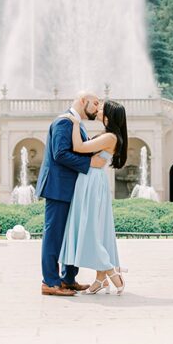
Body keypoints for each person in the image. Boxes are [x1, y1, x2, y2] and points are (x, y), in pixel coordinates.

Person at [35, 92, 107, 296]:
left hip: (69, 188)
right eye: (95, 103)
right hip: (58, 188)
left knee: (70, 234)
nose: (97, 107)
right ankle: (49, 282)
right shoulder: (64, 122)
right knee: (54, 236)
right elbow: (60, 153)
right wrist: (89, 163)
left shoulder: (76, 123)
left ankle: (68, 279)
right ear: (83, 101)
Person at [60, 100, 128, 295]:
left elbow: (79, 147)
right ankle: (100, 280)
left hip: (92, 181)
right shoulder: (109, 135)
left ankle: (111, 271)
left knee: (91, 227)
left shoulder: (110, 137)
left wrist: (75, 123)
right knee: (96, 227)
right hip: (91, 178)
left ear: (108, 116)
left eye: (102, 109)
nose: (97, 110)